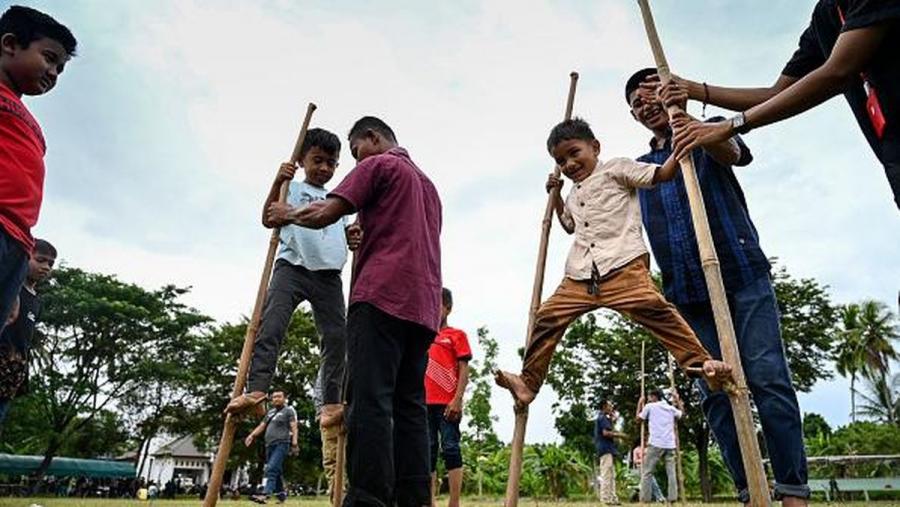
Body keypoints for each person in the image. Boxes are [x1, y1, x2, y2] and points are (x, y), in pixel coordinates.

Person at [627, 68, 810, 505]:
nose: (644, 103)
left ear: (672, 92)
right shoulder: (638, 169)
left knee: (768, 379)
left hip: (741, 271)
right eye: (635, 101)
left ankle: (792, 492)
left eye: (651, 91)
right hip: (686, 293)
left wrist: (697, 129)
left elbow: (736, 152)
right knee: (714, 393)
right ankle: (751, 492)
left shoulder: (708, 133)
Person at [264, 116, 442, 507]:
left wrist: (287, 214)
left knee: (370, 401)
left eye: (356, 152)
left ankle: (367, 498)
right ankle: (415, 499)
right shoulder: (428, 186)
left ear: (372, 138)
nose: (356, 162)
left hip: (381, 297)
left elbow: (327, 211)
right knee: (409, 405)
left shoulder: (380, 165)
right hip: (424, 307)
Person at [494, 117, 732, 406]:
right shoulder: (572, 193)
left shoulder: (617, 169)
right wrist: (556, 196)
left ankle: (701, 365)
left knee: (657, 311)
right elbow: (569, 225)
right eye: (561, 160)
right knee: (546, 318)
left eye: (574, 153)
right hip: (581, 275)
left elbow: (661, 175)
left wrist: (679, 148)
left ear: (594, 147)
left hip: (623, 266)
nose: (569, 164)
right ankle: (529, 384)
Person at [649, 1, 900, 209]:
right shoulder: (825, 17)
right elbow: (776, 93)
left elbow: (838, 72)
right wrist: (694, 89)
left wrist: (733, 124)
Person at [226, 128, 353, 426]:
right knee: (271, 327)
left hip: (329, 276)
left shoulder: (339, 199)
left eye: (331, 163)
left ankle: (331, 403)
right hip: (292, 268)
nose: (324, 168)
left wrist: (352, 235)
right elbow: (269, 217)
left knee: (337, 339)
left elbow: (341, 233)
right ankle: (256, 390)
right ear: (301, 159)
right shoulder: (291, 187)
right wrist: (278, 180)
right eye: (317, 160)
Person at [0, 6, 76, 328]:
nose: (54, 72)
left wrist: (16, 286)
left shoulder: (29, 121)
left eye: (60, 68)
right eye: (49, 58)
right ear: (10, 44)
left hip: (17, 243)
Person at [0, 238, 55, 431]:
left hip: (12, 373)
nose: (46, 267)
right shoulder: (8, 287)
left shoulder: (37, 301)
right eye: (40, 260)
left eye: (50, 263)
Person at [425, 288, 471, 507]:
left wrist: (457, 399)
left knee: (451, 447)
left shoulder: (456, 335)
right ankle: (430, 501)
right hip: (423, 405)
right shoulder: (422, 335)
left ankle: (454, 502)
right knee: (428, 450)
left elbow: (464, 369)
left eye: (439, 305)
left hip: (447, 404)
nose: (434, 309)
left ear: (448, 308)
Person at [244, 390, 298, 505]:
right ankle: (281, 496)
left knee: (271, 468)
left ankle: (265, 494)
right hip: (269, 445)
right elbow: (262, 426)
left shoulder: (289, 411)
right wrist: (252, 435)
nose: (276, 399)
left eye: (279, 397)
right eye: (274, 397)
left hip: (282, 443)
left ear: (284, 398)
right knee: (276, 471)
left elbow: (294, 427)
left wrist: (294, 443)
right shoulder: (270, 412)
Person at [637, 389, 682, 503]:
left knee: (647, 472)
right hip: (670, 444)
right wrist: (677, 400)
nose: (648, 399)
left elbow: (638, 419)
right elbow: (681, 414)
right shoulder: (670, 408)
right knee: (671, 473)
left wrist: (639, 404)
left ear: (654, 396)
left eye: (649, 396)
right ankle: (673, 498)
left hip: (656, 443)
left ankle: (645, 499)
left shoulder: (650, 406)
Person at [594, 400, 626, 505]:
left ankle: (612, 498)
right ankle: (606, 498)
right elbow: (606, 433)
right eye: (609, 406)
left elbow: (609, 426)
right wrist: (619, 435)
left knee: (611, 475)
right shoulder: (602, 418)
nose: (611, 407)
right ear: (604, 407)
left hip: (608, 449)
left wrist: (613, 417)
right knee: (606, 474)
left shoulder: (605, 418)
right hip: (605, 448)